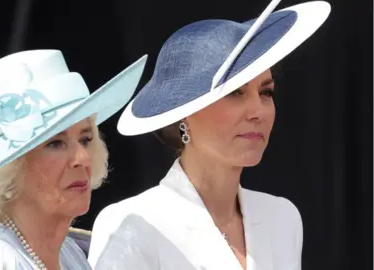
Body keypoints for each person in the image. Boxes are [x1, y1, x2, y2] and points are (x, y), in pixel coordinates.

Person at [88, 1, 331, 270]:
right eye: (234, 92)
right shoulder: (132, 224)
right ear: (184, 113)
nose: (258, 111)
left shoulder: (282, 218)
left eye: (266, 92)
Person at [0, 48, 147, 270]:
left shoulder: (69, 254)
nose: (82, 157)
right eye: (55, 143)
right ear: (8, 169)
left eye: (85, 139)